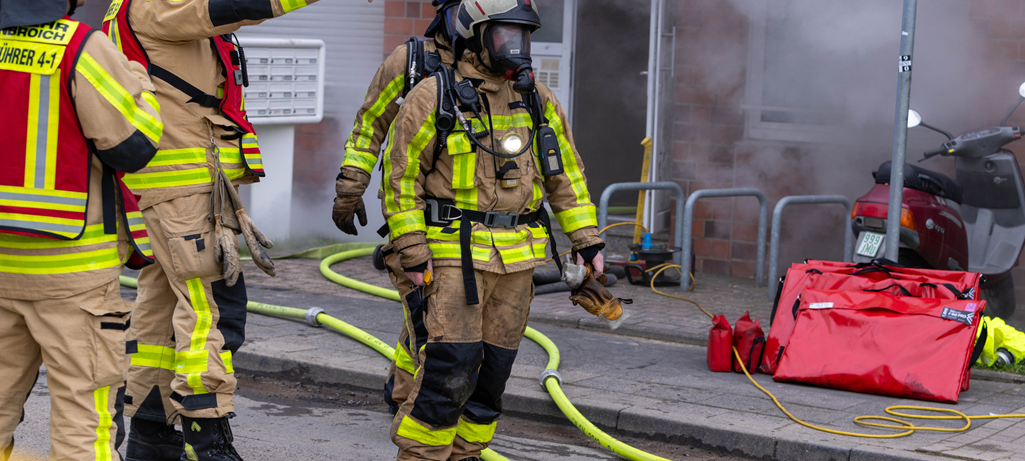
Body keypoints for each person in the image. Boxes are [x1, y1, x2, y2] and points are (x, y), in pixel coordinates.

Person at [381, 1, 605, 459]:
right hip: (453, 257)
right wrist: (411, 247)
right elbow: (400, 179)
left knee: (492, 376)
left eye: (523, 36)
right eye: (505, 34)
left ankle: (466, 454)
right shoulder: (433, 95)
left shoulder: (537, 100)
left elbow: (566, 176)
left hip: (518, 258)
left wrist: (586, 239)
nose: (516, 47)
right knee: (450, 369)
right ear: (475, 35)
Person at [102, 1, 317, 459]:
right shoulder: (156, 5)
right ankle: (207, 438)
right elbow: (241, 3)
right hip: (180, 189)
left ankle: (150, 431)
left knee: (161, 311)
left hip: (184, 186)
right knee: (211, 308)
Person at [0, 0, 162, 458]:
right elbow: (136, 145)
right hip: (73, 274)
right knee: (82, 418)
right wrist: (138, 81)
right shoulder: (80, 47)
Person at [333, 0, 464, 416]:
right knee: (427, 316)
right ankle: (418, 412)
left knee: (442, 320)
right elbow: (370, 125)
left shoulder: (502, 72)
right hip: (414, 215)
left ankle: (403, 388)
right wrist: (350, 190)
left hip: (475, 228)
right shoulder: (411, 62)